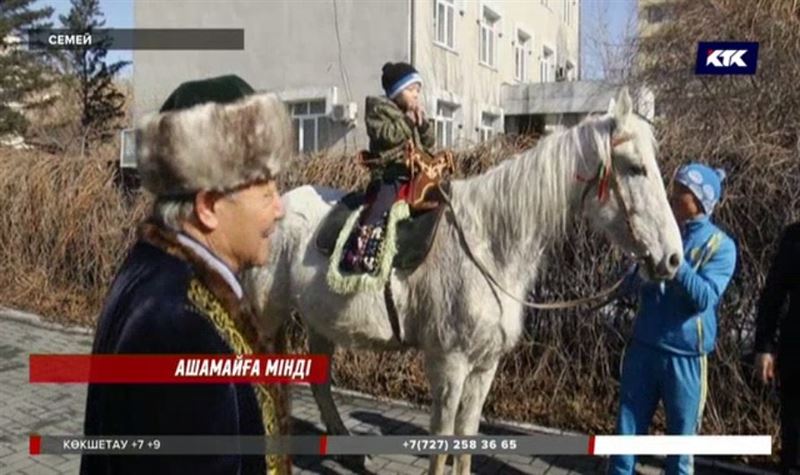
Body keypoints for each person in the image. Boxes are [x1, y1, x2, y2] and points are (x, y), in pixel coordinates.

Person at [80, 75, 293, 475]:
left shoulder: (154, 268)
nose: (279, 208)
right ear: (209, 205)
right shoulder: (179, 330)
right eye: (265, 189)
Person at [608, 163, 737, 475]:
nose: (673, 196)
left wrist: (675, 265)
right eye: (675, 189)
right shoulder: (663, 234)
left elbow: (704, 298)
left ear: (700, 200)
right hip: (644, 347)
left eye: (682, 192)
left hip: (686, 357)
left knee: (680, 444)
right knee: (626, 433)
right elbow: (627, 285)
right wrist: (634, 272)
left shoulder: (721, 246)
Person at [342, 62, 435, 273]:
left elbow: (429, 145)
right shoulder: (377, 111)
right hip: (389, 174)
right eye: (411, 90)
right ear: (396, 91)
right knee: (382, 206)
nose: (415, 96)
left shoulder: (411, 115)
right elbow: (387, 136)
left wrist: (423, 126)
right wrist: (408, 123)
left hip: (414, 173)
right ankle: (360, 249)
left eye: (418, 91)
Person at [755, 223, 800, 474]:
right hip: (796, 357)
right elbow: (773, 294)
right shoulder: (795, 237)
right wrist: (764, 346)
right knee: (794, 449)